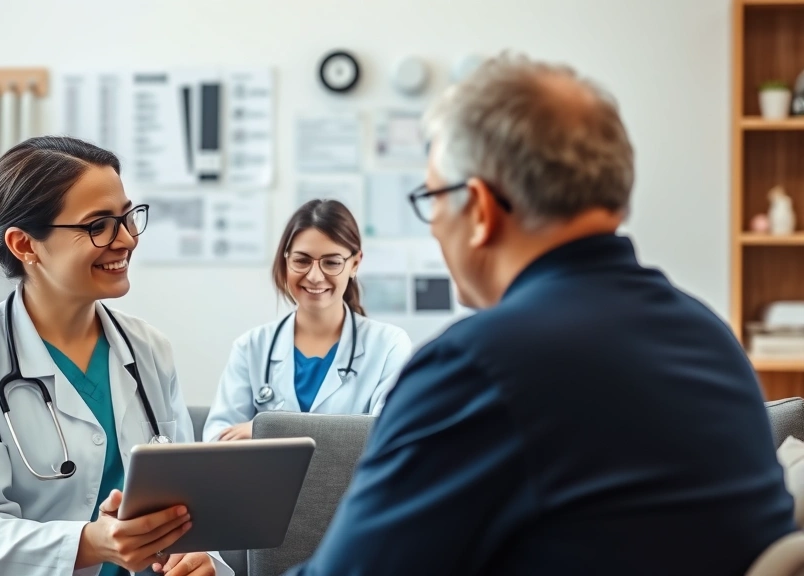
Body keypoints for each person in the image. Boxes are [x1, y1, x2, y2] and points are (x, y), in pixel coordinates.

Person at [285, 53, 795, 575]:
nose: (434, 225)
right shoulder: (709, 337)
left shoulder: (478, 364)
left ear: (480, 209)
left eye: (433, 198)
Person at [0, 136, 231, 576]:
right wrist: (90, 543)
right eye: (99, 225)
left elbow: (186, 503)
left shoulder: (148, 349)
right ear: (25, 245)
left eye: (127, 217)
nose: (127, 239)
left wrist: (199, 557)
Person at [202, 199, 412, 443]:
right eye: (302, 261)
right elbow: (217, 439)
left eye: (331, 262)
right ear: (286, 261)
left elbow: (390, 438)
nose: (314, 276)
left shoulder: (390, 346)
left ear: (355, 264)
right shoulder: (251, 347)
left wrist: (267, 430)